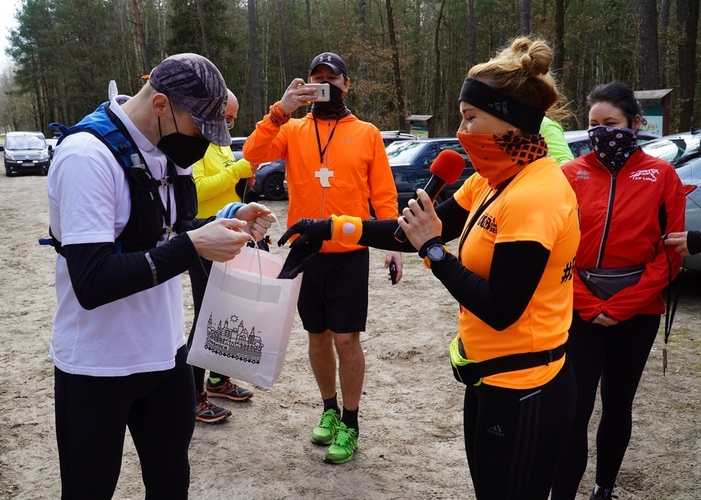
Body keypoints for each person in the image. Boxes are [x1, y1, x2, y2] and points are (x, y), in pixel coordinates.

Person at [277, 38, 579, 497]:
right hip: (487, 376)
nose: (461, 130)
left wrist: (435, 252)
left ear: (511, 121)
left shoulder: (536, 195)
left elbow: (501, 308)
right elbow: (405, 229)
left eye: (470, 117)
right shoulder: (491, 179)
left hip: (527, 385)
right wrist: (327, 227)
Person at [46, 53, 274, 497]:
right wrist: (192, 247)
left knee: (171, 482)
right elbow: (92, 281)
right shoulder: (86, 157)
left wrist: (229, 216)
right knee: (88, 490)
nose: (202, 145)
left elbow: (168, 229)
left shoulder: (169, 147)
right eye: (198, 131)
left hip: (166, 354)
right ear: (161, 104)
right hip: (97, 364)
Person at [243, 51, 403, 464]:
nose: (325, 85)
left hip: (350, 251)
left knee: (347, 339)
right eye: (317, 79)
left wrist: (393, 247)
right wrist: (281, 109)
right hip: (305, 250)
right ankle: (329, 409)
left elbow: (383, 194)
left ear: (347, 84)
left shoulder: (367, 132)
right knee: (317, 337)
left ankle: (351, 422)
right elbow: (253, 157)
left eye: (332, 79)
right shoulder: (294, 128)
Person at [551, 82, 686, 500]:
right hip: (579, 307)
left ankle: (604, 487)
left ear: (634, 124)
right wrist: (589, 304)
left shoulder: (662, 175)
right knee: (574, 409)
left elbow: (671, 252)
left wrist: (624, 305)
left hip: (639, 311)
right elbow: (556, 249)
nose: (601, 132)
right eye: (593, 125)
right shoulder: (569, 174)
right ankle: (563, 494)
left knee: (618, 404)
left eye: (610, 123)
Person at [188, 89, 257, 424]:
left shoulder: (221, 143)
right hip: (205, 238)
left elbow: (231, 186)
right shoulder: (196, 142)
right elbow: (197, 190)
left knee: (226, 314)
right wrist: (237, 170)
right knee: (207, 317)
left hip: (229, 237)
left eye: (233, 118)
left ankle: (216, 380)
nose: (229, 124)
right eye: (225, 117)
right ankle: (192, 396)